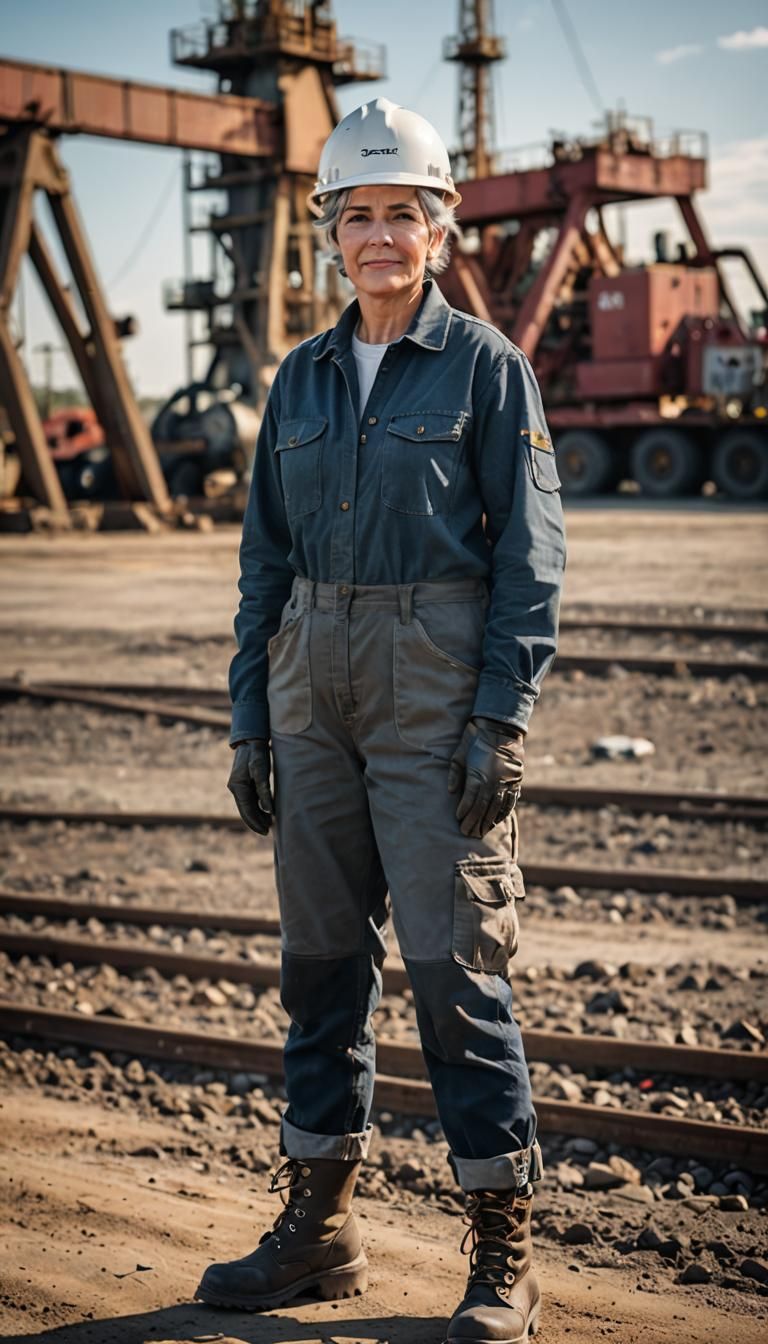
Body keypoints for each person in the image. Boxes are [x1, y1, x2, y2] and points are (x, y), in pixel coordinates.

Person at [196, 97, 565, 1343]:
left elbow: (532, 562)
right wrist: (251, 718)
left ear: (441, 227)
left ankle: (505, 1248)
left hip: (434, 690)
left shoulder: (487, 371)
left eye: (403, 212)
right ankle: (321, 1230)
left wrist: (500, 723)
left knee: (458, 974)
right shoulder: (297, 380)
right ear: (330, 234)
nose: (380, 237)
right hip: (313, 694)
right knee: (319, 971)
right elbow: (262, 565)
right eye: (358, 215)